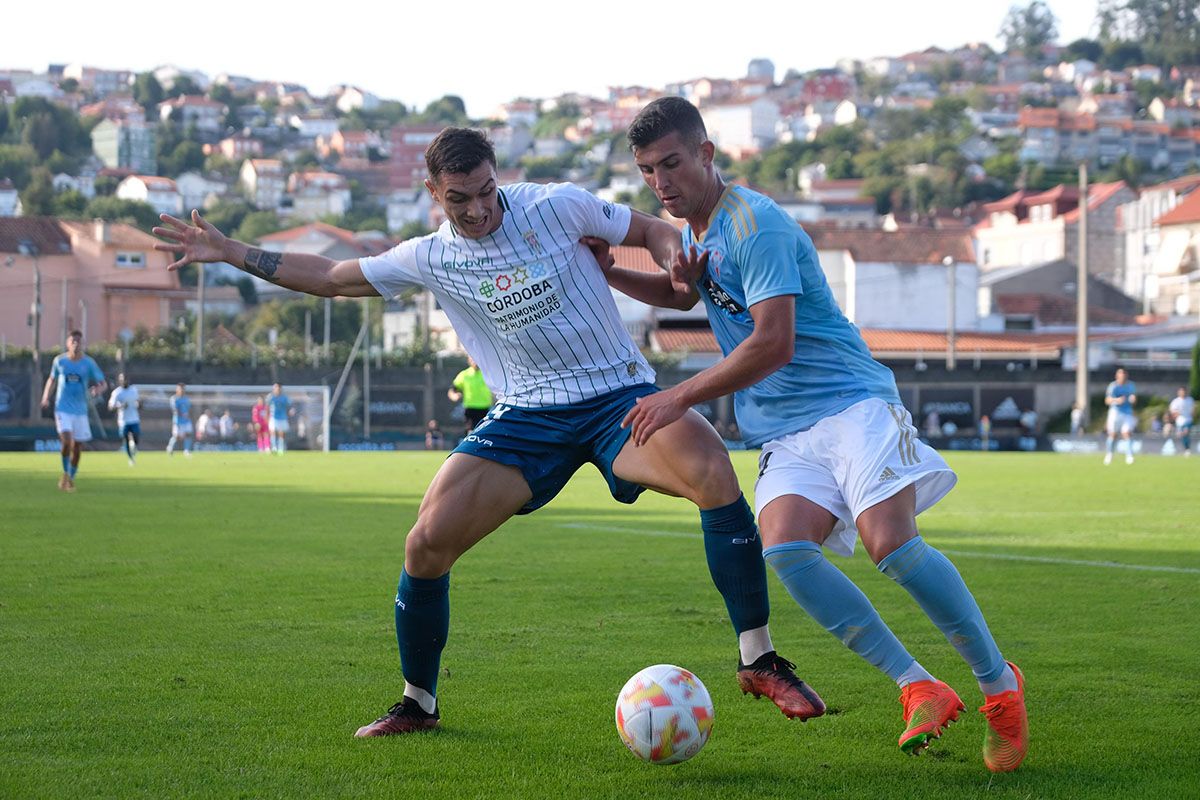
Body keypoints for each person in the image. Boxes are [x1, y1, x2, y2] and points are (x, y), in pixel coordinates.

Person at [152, 126, 820, 739]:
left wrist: (677, 257)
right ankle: (419, 702)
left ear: (498, 178)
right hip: (528, 416)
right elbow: (329, 276)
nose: (475, 211)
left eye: (485, 193)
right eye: (458, 200)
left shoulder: (556, 205)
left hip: (617, 393)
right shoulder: (431, 257)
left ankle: (757, 657)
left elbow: (650, 229)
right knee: (425, 543)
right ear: (432, 194)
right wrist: (228, 251)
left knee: (711, 468)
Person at [613, 97, 1027, 772]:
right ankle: (918, 685)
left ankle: (998, 686)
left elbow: (773, 343)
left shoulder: (757, 225)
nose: (661, 181)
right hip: (784, 429)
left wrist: (678, 395)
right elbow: (689, 295)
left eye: (673, 163)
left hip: (849, 403)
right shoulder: (693, 228)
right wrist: (608, 269)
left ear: (706, 154)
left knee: (890, 542)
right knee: (786, 551)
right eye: (648, 171)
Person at [41, 330, 107, 491]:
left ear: (82, 343)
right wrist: (45, 397)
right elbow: (52, 379)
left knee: (77, 447)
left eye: (78, 341)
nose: (76, 344)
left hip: (80, 410)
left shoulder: (88, 363)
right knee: (66, 441)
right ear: (67, 343)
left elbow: (103, 383)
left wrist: (97, 390)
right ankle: (65, 473)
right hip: (62, 408)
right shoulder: (60, 361)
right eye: (73, 341)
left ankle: (70, 478)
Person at [448, 356, 493, 437]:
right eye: (472, 359)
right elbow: (452, 390)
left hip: (485, 408)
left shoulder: (487, 373)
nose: (475, 361)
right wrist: (454, 396)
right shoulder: (464, 375)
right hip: (470, 408)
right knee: (470, 432)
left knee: (484, 431)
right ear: (468, 361)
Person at [1104, 368, 1137, 466]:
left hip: (1127, 413)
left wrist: (1133, 399)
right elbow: (1107, 400)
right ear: (1117, 376)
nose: (1122, 376)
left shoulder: (1131, 385)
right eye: (1120, 374)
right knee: (1113, 434)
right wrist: (1116, 400)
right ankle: (1109, 454)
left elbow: (1134, 398)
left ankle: (1129, 455)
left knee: (1126, 433)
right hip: (1115, 412)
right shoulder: (1113, 386)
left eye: (1124, 374)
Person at [107, 372, 141, 466]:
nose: (124, 381)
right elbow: (110, 406)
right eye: (122, 379)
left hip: (134, 419)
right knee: (125, 438)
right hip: (123, 420)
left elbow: (139, 402)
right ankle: (131, 459)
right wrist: (120, 406)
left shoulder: (134, 390)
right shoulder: (117, 392)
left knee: (136, 437)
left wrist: (139, 404)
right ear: (119, 380)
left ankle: (134, 446)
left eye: (125, 379)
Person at [167, 383, 194, 456]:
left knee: (188, 434)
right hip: (178, 420)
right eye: (180, 388)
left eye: (183, 389)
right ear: (177, 389)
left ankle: (186, 450)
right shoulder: (174, 398)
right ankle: (170, 448)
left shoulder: (186, 399)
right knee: (176, 436)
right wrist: (182, 414)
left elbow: (189, 409)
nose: (182, 390)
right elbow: (175, 410)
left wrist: (188, 415)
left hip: (186, 420)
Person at [267, 383, 294, 453]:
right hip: (273, 417)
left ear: (280, 389)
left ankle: (280, 448)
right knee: (272, 431)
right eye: (274, 388)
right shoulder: (270, 397)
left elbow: (290, 405)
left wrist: (291, 410)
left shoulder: (284, 397)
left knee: (281, 433)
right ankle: (273, 447)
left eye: (277, 388)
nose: (276, 389)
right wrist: (267, 417)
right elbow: (267, 407)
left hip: (282, 417)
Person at [1169, 387, 1194, 457]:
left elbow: (1192, 410)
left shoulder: (1190, 400)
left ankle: (1187, 449)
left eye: (1183, 391)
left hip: (1188, 420)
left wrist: (1192, 414)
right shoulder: (1176, 401)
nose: (1182, 393)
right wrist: (1176, 414)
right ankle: (1185, 449)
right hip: (1180, 421)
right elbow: (1172, 411)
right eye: (1181, 391)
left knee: (1186, 432)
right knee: (1182, 435)